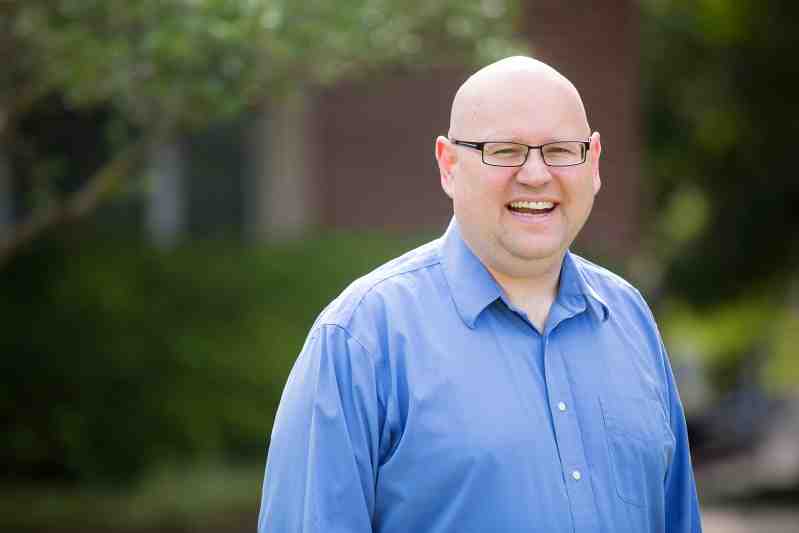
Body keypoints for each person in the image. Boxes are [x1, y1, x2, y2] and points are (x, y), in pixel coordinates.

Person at [257, 56, 702, 533]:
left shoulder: (629, 319)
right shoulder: (360, 339)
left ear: (592, 163)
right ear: (449, 165)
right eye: (505, 150)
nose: (535, 174)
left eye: (558, 150)